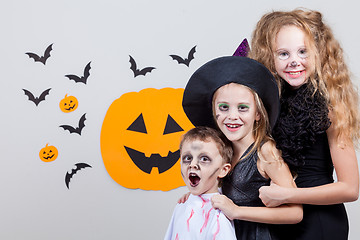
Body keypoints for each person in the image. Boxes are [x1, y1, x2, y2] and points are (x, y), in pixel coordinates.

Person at [249, 8, 360, 240]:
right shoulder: (266, 107)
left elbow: (350, 189)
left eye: (303, 52)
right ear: (270, 57)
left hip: (320, 223)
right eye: (283, 54)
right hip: (279, 220)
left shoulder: (330, 109)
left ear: (317, 54)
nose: (294, 61)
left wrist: (288, 195)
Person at [181, 56, 303, 240]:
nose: (232, 116)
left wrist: (237, 211)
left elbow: (295, 213)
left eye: (242, 108)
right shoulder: (223, 149)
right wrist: (198, 197)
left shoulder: (265, 151)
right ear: (214, 111)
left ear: (258, 114)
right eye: (223, 107)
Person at [164, 126, 237, 240]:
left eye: (204, 159)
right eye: (187, 158)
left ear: (223, 170)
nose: (193, 164)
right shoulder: (182, 204)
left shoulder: (218, 215)